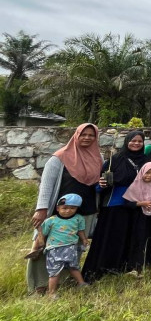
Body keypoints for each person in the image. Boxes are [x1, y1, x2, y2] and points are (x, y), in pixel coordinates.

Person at [27, 123, 103, 295]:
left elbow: (100, 184)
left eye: (91, 135)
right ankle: (39, 284)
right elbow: (46, 185)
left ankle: (66, 281)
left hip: (85, 211)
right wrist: (42, 209)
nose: (87, 138)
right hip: (59, 212)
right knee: (46, 247)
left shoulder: (99, 158)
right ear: (76, 135)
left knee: (75, 248)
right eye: (84, 134)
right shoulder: (59, 158)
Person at [82, 130, 149, 282]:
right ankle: (103, 268)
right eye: (133, 140)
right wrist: (101, 184)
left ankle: (126, 267)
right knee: (111, 238)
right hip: (115, 204)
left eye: (140, 141)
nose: (136, 143)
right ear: (127, 141)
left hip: (137, 205)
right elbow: (100, 184)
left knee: (131, 237)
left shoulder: (146, 160)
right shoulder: (116, 160)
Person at [26, 194, 89, 298]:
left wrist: (84, 239)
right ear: (58, 208)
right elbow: (41, 235)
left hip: (71, 248)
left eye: (72, 208)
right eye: (64, 208)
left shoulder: (78, 218)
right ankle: (51, 293)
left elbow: (80, 230)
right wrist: (34, 249)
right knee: (54, 272)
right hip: (55, 250)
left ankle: (81, 284)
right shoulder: (51, 220)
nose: (68, 211)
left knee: (74, 267)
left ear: (77, 208)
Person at [125, 162, 151, 276]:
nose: (150, 176)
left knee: (150, 238)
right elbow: (128, 203)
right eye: (147, 172)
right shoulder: (136, 185)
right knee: (139, 239)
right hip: (139, 217)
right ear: (142, 171)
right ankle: (135, 265)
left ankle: (147, 262)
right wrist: (142, 203)